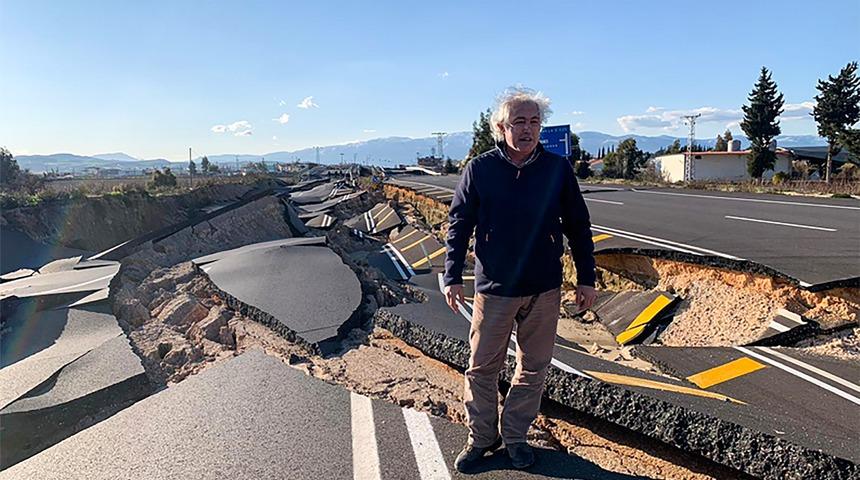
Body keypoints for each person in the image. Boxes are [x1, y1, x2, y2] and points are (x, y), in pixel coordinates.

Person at [444, 87, 597, 472]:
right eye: (519, 122)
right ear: (502, 126)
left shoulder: (557, 169)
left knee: (533, 367)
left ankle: (514, 436)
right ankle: (482, 437)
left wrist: (586, 277)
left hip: (544, 286)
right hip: (495, 287)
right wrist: (451, 275)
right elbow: (459, 225)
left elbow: (578, 225)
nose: (527, 129)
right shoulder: (480, 169)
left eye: (534, 122)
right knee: (482, 366)